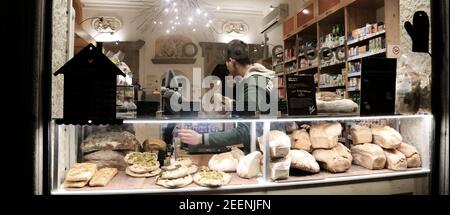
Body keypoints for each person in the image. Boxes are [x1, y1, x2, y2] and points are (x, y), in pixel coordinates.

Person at [177, 39, 276, 154]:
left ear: (232, 61)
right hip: (268, 148)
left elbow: (244, 131)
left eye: (227, 63)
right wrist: (230, 104)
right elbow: (257, 110)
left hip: (261, 154)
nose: (227, 67)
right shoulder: (261, 79)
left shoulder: (252, 84)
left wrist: (201, 138)